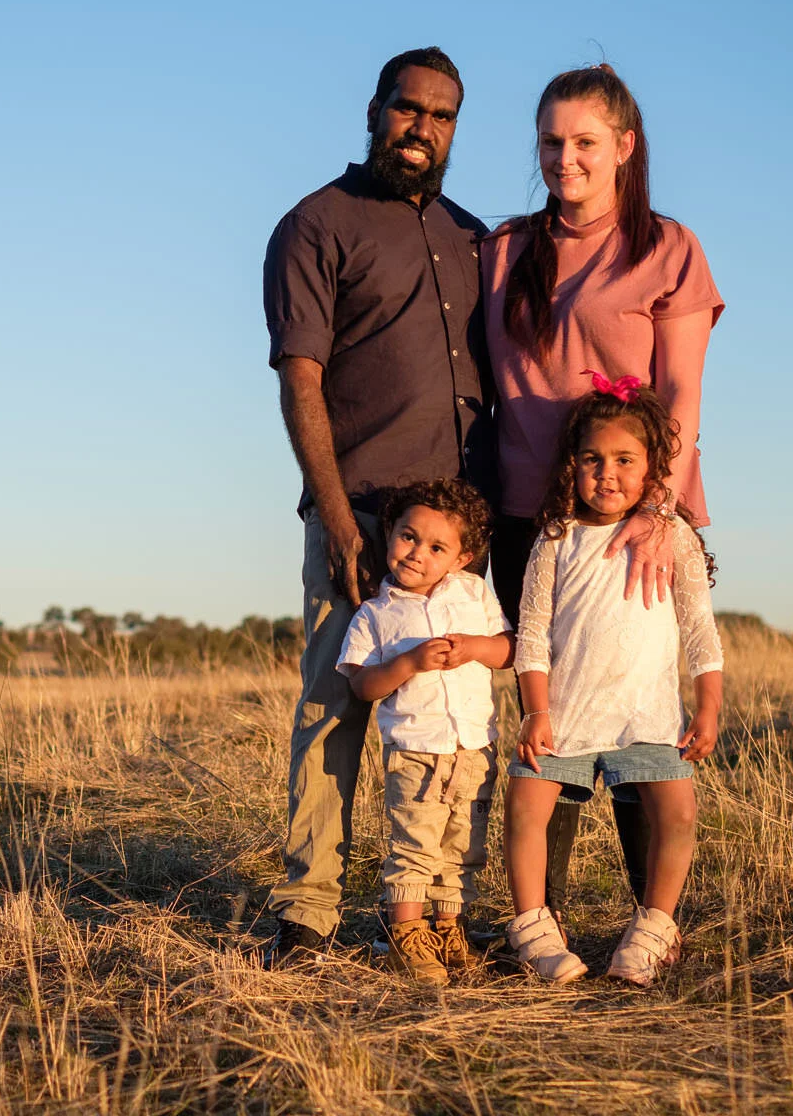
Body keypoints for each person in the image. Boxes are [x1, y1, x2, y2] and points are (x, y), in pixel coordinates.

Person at [262, 47, 495, 964]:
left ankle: (443, 907)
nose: (422, 128)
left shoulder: (475, 237)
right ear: (374, 109)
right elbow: (301, 380)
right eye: (408, 109)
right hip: (362, 519)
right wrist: (337, 519)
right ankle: (308, 913)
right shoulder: (316, 225)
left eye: (441, 117)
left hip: (463, 538)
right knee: (335, 707)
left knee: (456, 716)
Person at [481, 64, 723, 924]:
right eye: (551, 141)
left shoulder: (667, 246)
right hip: (532, 518)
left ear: (625, 146)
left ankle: (648, 924)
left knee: (637, 719)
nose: (565, 158)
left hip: (639, 523)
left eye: (584, 141)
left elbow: (682, 393)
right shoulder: (505, 249)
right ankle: (536, 922)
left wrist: (660, 508)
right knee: (552, 723)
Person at [502, 377, 723, 985]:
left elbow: (699, 629)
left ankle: (653, 928)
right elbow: (533, 633)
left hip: (647, 712)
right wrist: (535, 711)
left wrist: (707, 705)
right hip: (565, 713)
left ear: (652, 468)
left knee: (677, 813)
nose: (607, 473)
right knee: (525, 806)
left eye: (625, 460)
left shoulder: (671, 535)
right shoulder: (556, 536)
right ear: (571, 466)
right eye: (592, 459)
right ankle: (533, 929)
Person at [335, 479, 513, 984]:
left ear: (462, 558)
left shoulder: (475, 593)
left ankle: (447, 927)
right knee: (414, 845)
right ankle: (406, 936)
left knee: (463, 845)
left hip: (474, 747)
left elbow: (508, 650)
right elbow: (364, 686)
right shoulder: (375, 613)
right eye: (408, 537)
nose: (418, 553)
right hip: (416, 752)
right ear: (389, 533)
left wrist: (476, 647)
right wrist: (409, 661)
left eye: (437, 547)